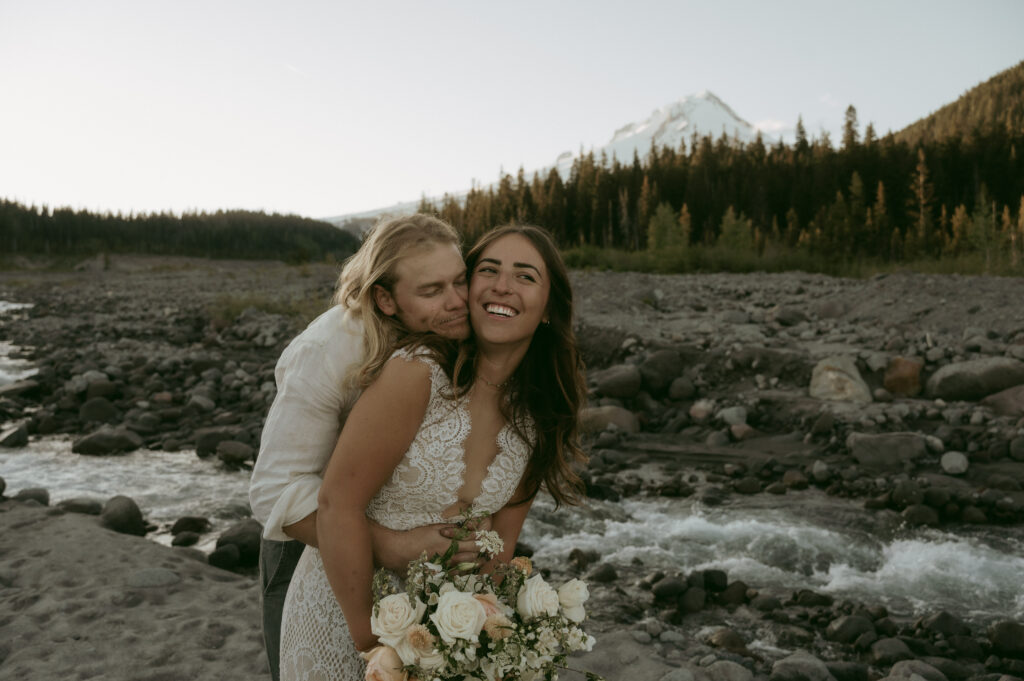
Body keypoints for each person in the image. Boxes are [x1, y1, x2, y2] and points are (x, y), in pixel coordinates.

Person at [278, 224, 587, 680]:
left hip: (443, 629)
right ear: (471, 287)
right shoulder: (417, 372)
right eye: (488, 270)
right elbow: (336, 503)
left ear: (548, 309)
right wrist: (375, 648)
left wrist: (490, 641)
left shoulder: (537, 414)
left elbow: (497, 553)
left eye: (525, 276)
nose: (503, 284)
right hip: (347, 610)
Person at [249, 214, 490, 681]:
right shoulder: (329, 348)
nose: (458, 301)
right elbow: (273, 490)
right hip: (310, 548)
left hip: (420, 552)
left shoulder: (460, 329)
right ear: (384, 298)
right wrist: (391, 546)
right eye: (432, 290)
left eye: (460, 281)